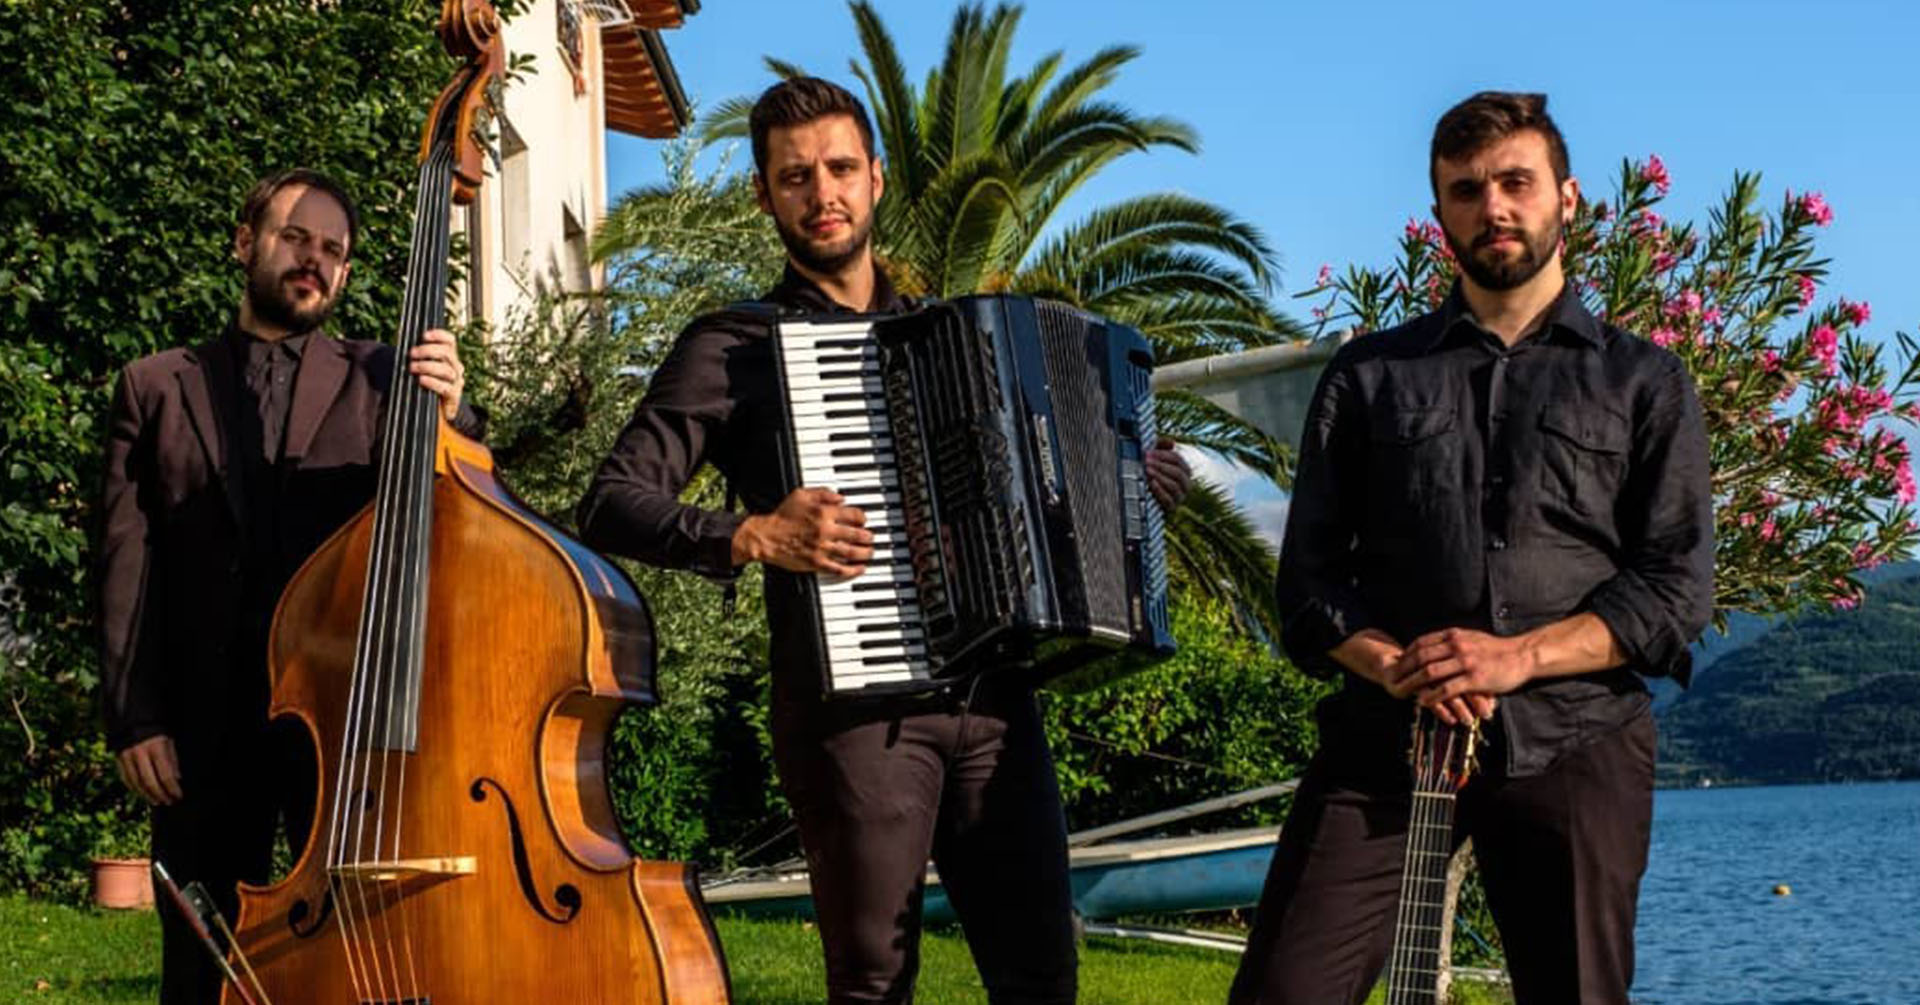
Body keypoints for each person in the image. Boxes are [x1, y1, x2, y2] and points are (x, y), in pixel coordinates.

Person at [576, 76, 1191, 1004]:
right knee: (874, 982)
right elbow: (612, 501)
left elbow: (1043, 497)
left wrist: (1132, 486)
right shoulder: (734, 345)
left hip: (995, 699)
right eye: (795, 177)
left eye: (838, 169)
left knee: (1042, 974)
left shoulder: (957, 334)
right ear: (764, 195)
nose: (821, 193)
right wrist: (750, 533)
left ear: (876, 177)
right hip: (855, 715)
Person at [1227, 92, 1713, 1004]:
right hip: (1385, 743)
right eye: (1466, 189)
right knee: (1284, 990)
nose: (1493, 207)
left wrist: (1513, 657)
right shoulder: (1369, 376)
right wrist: (1400, 665)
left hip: (1576, 741)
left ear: (1567, 198)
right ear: (1439, 212)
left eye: (1515, 182)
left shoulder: (1646, 382)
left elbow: (1673, 591)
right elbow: (1309, 583)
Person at [98, 168, 479, 1003]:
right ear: (246, 243)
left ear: (345, 273)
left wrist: (453, 416)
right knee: (200, 969)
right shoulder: (155, 385)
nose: (314, 260)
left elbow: (458, 515)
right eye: (294, 238)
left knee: (356, 960)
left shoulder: (388, 377)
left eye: (332, 250)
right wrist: (135, 718)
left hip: (344, 719)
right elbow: (127, 564)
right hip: (202, 723)